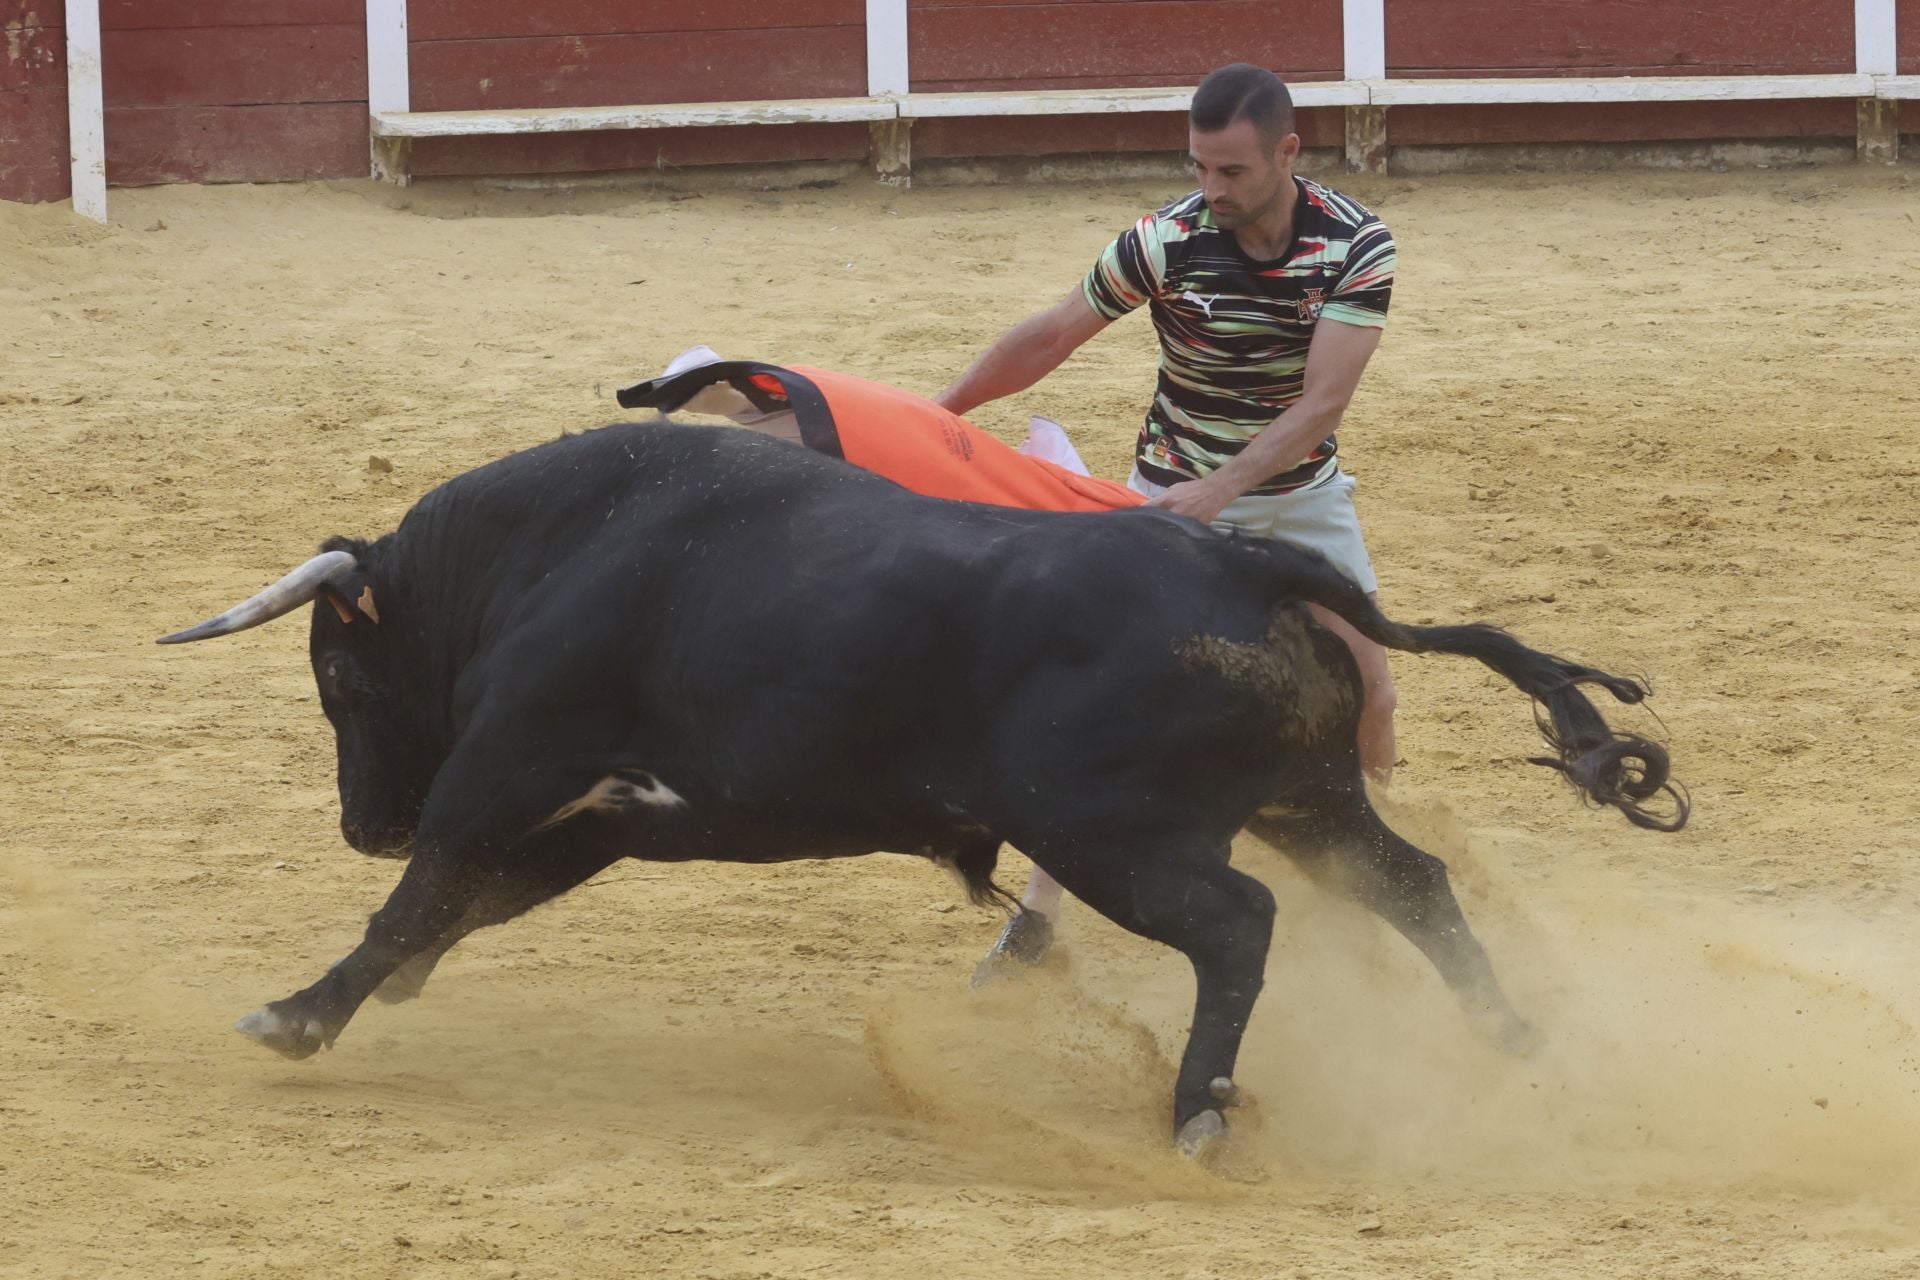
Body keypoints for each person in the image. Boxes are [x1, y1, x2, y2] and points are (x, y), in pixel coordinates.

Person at [936, 63, 1402, 980]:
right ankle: (1036, 918)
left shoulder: (1355, 244)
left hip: (1294, 498)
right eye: (1198, 168)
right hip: (1166, 490)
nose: (1211, 191)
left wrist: (1220, 491)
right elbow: (1053, 333)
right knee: (1097, 707)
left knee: (1372, 695)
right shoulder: (1166, 240)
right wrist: (938, 412)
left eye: (1231, 172)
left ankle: (1365, 874)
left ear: (1287, 152)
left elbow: (1321, 405)